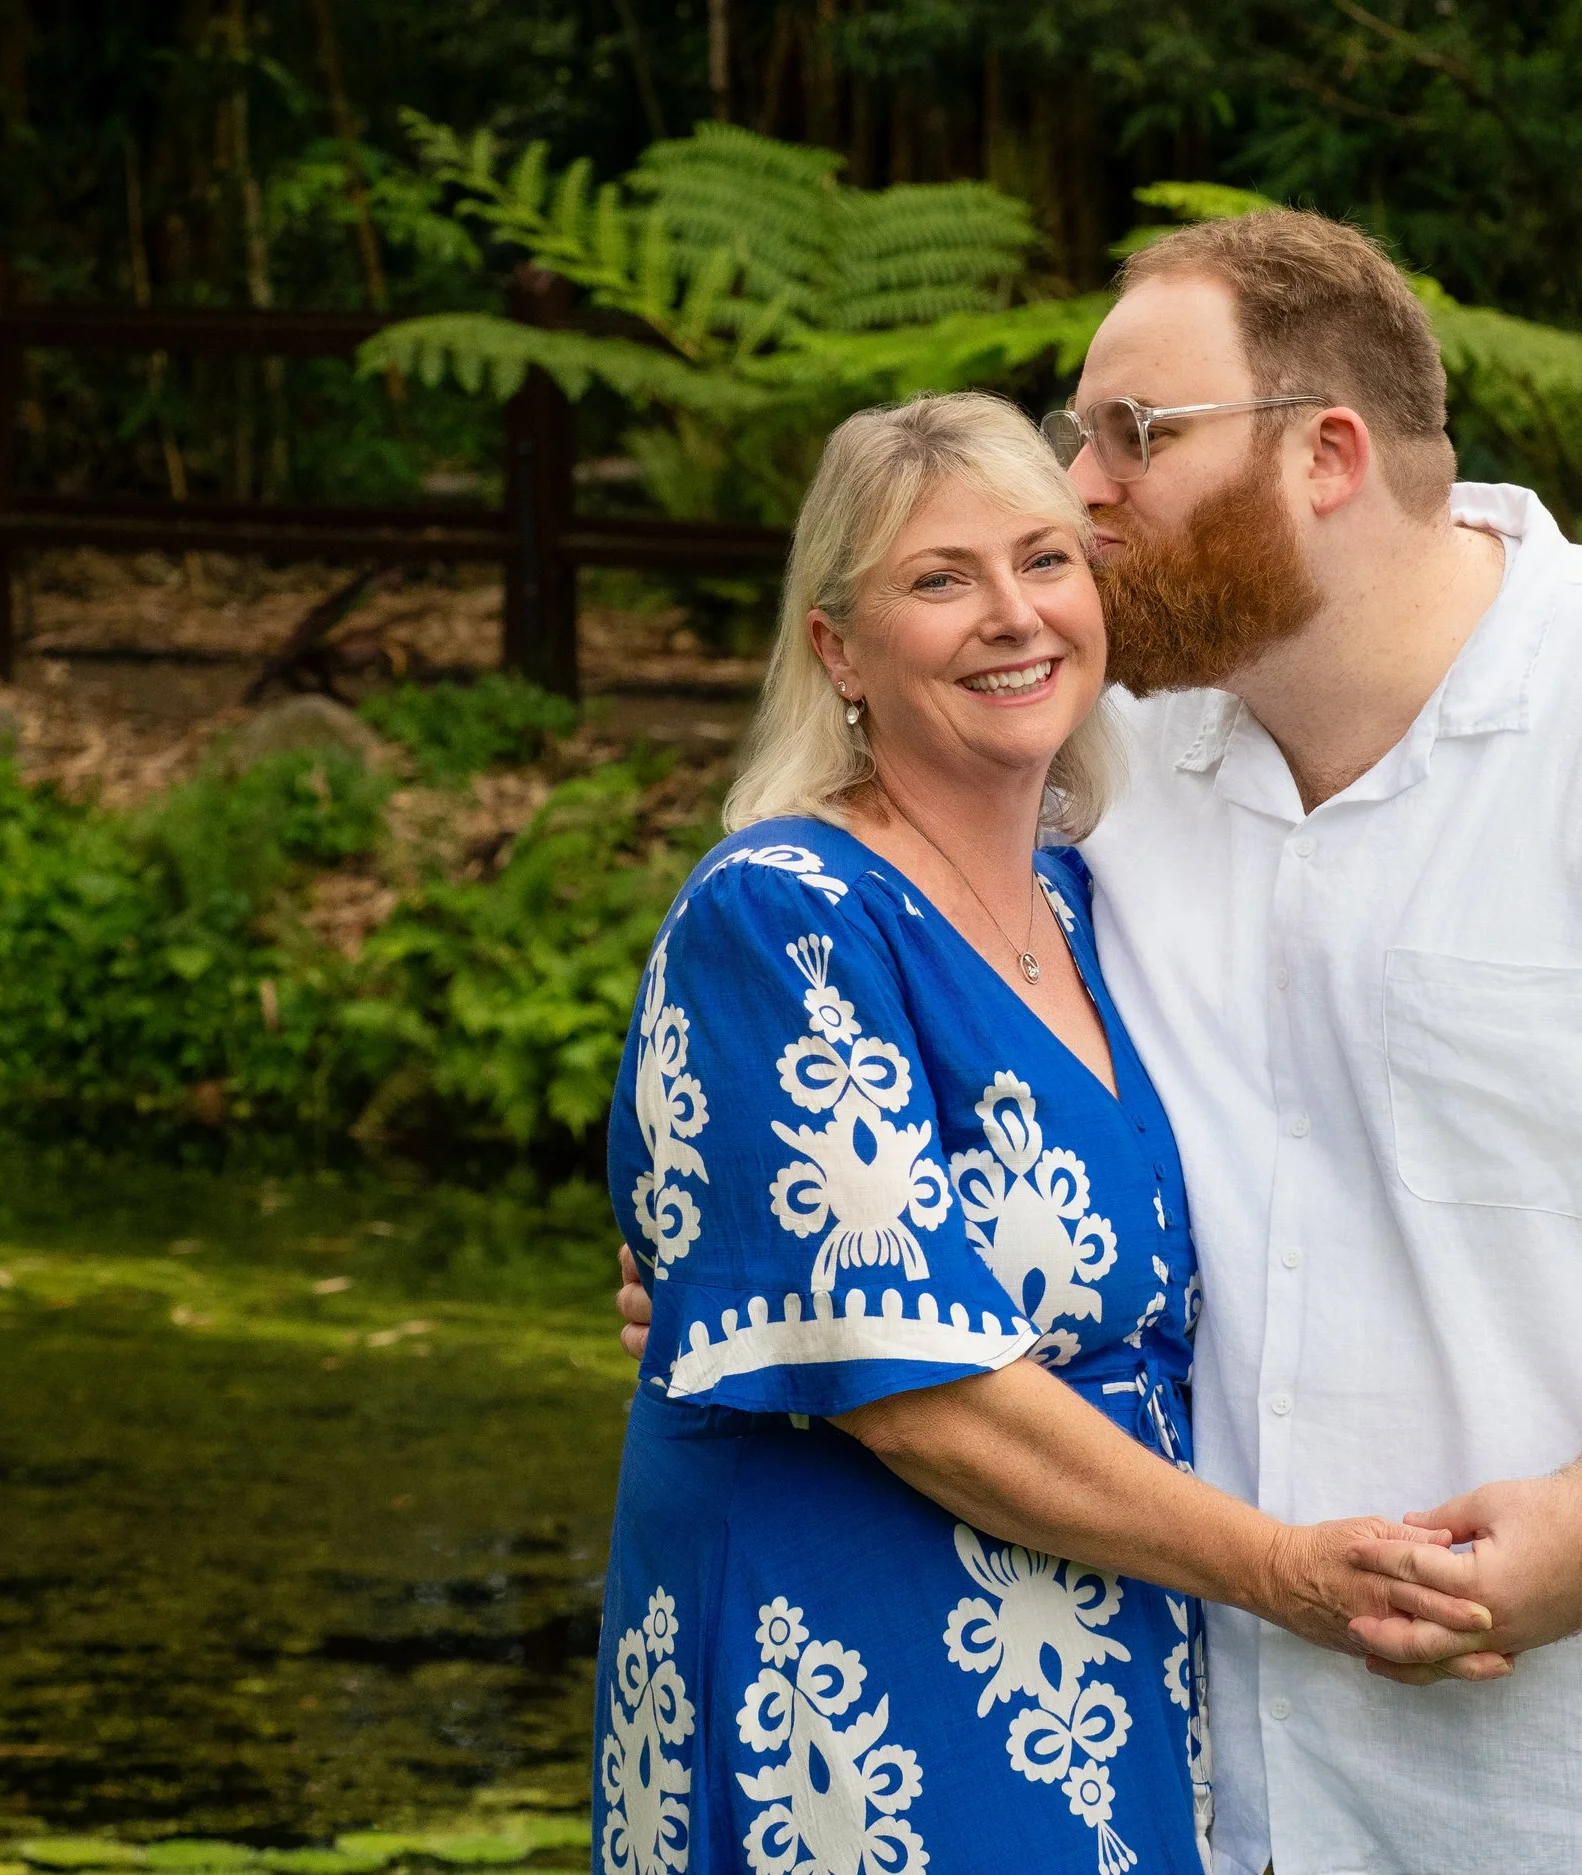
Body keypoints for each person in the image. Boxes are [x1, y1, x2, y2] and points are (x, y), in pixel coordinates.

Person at [623, 212, 1582, 1875]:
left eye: (1132, 436)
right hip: (1296, 1795)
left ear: (1327, 453)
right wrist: (751, 1243)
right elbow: (941, 1105)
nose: (1079, 488)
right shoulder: (1128, 780)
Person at [589, 392, 1499, 1875]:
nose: (1013, 616)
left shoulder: (1093, 903)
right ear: (838, 649)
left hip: (1108, 1658)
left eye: (1045, 560)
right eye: (940, 580)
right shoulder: (783, 916)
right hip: (853, 1666)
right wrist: (1281, 1568)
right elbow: (922, 1389)